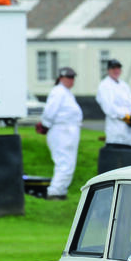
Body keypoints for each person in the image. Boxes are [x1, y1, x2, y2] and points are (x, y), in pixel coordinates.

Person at [37, 67, 83, 200]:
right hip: (61, 131)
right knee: (64, 162)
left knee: (68, 163)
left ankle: (61, 190)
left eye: (72, 77)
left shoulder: (66, 92)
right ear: (61, 78)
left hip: (68, 132)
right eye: (68, 77)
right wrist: (45, 125)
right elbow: (50, 111)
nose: (71, 80)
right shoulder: (58, 92)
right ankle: (54, 192)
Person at [96, 59, 131, 147]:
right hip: (116, 128)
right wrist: (125, 116)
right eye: (113, 68)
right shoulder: (104, 85)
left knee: (130, 154)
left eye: (118, 68)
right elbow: (109, 108)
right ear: (108, 70)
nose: (116, 71)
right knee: (117, 154)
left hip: (129, 129)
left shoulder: (124, 85)